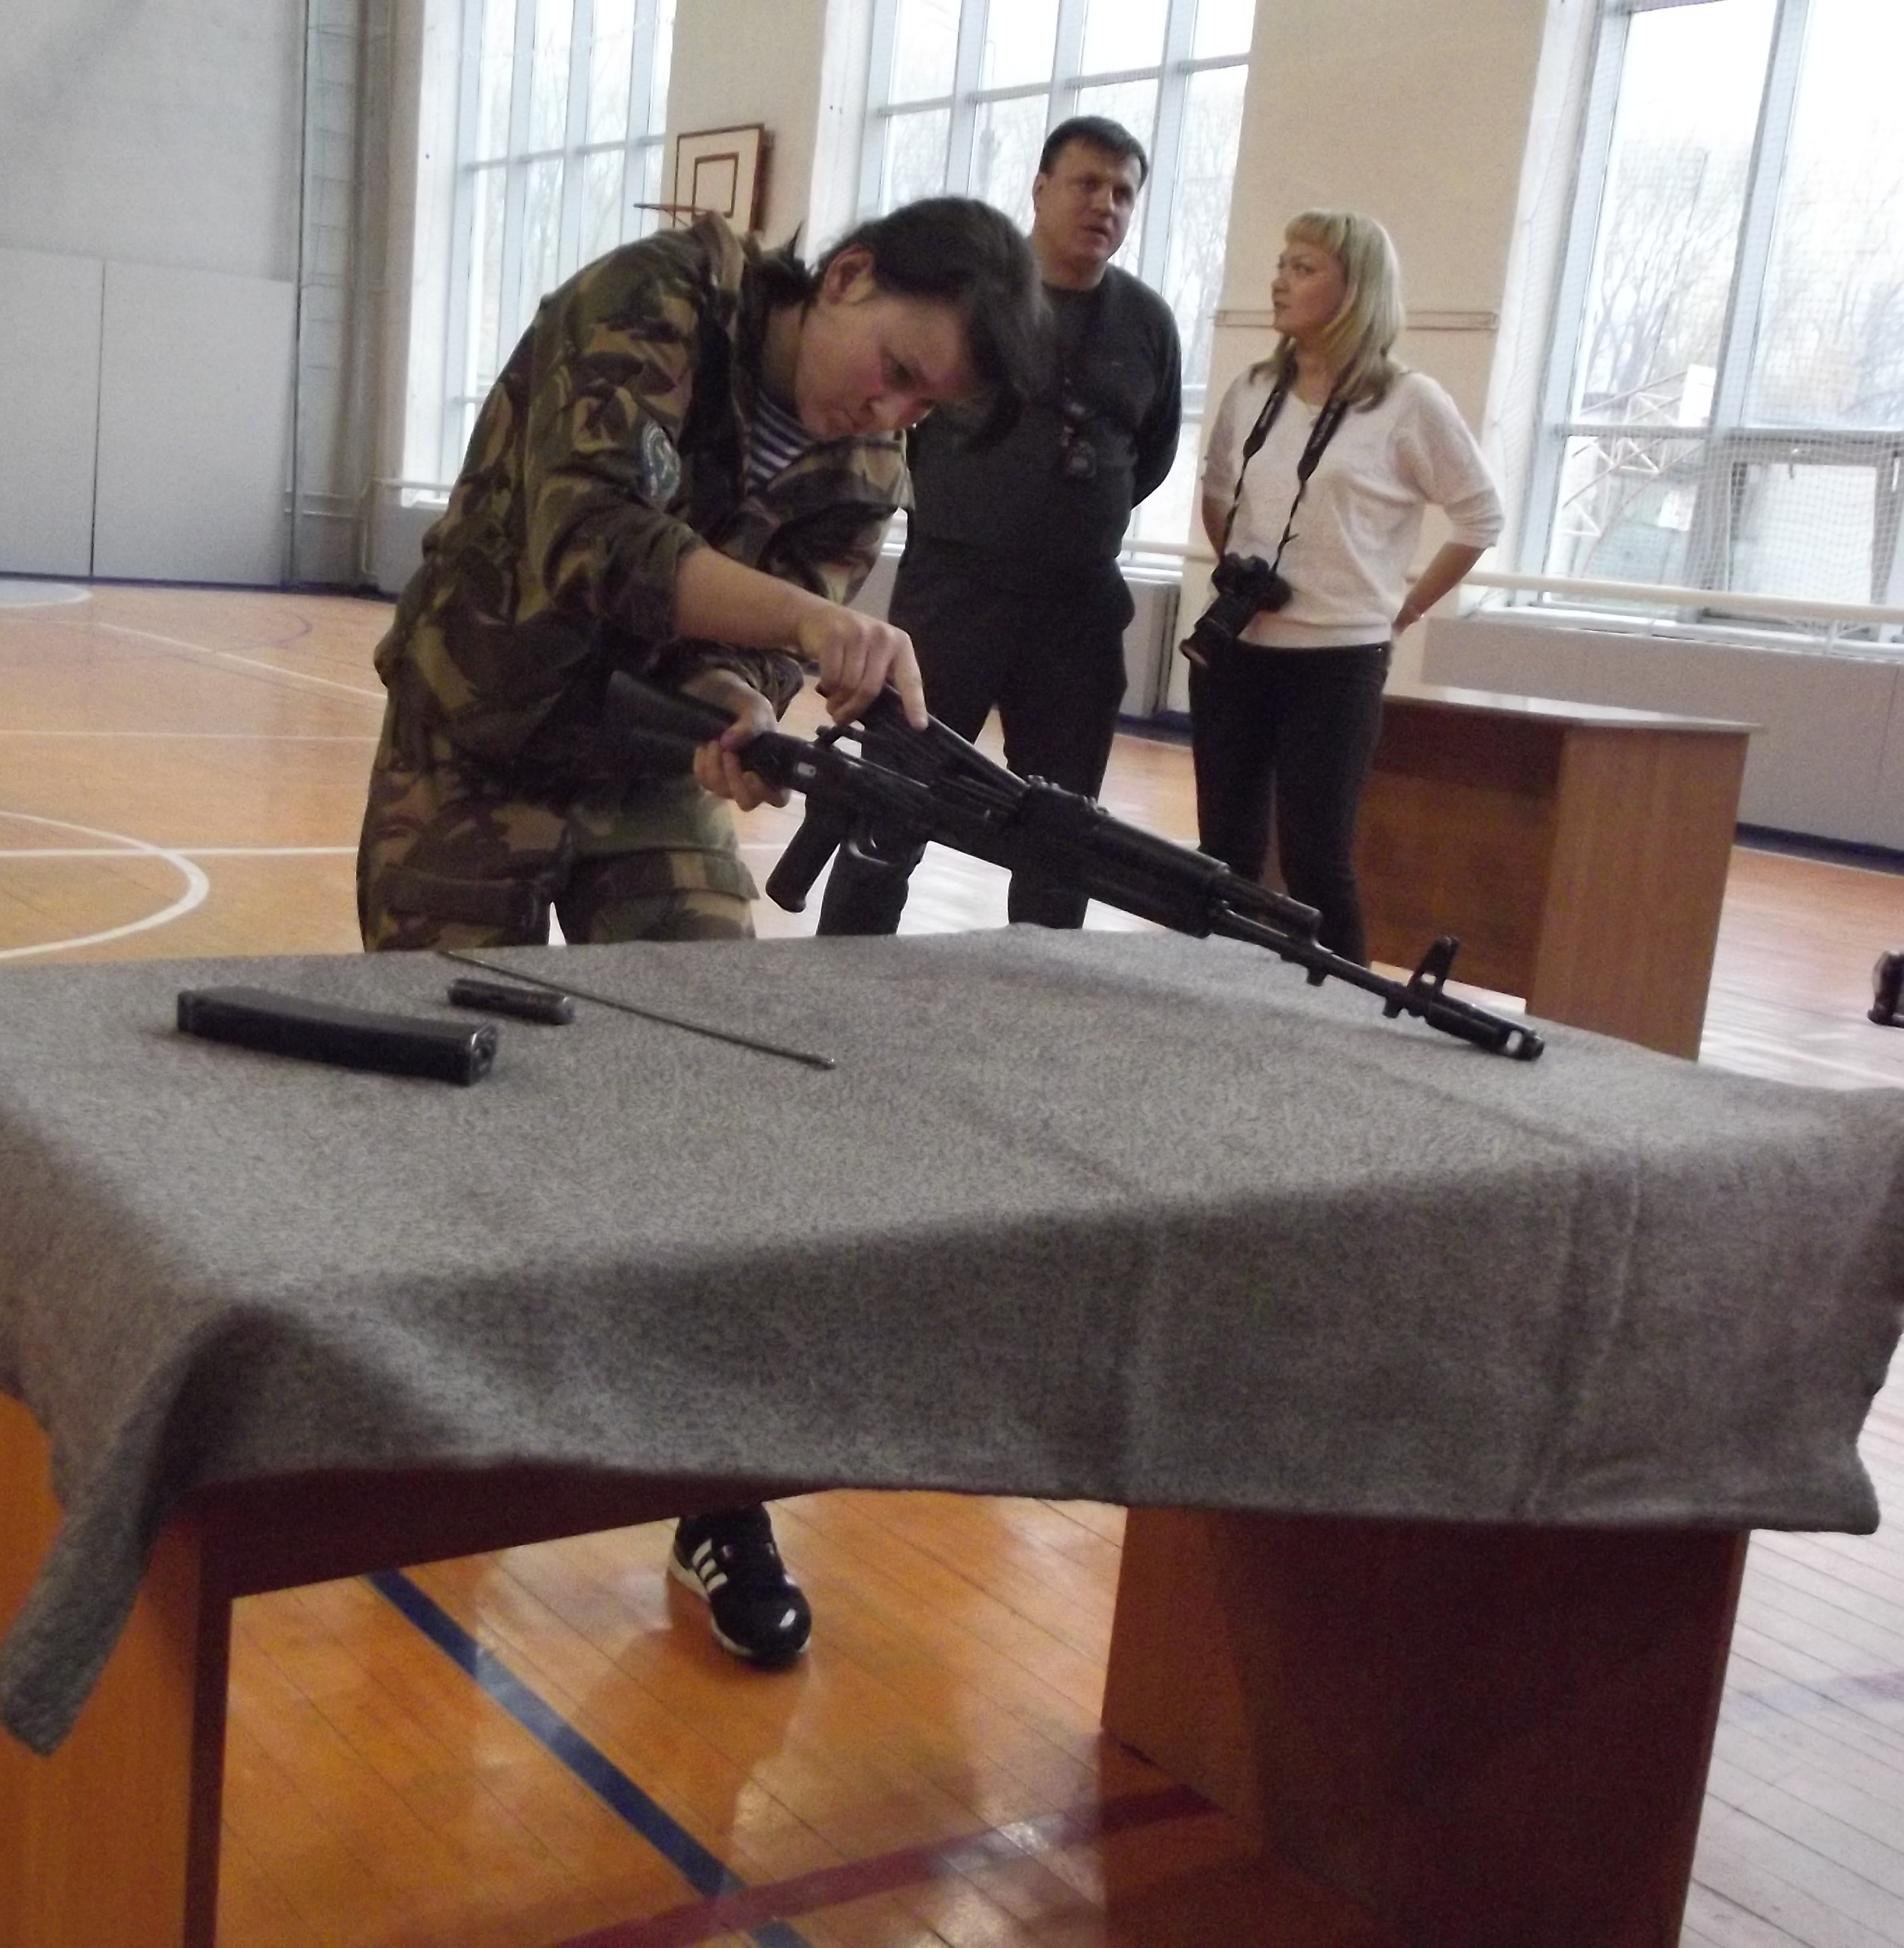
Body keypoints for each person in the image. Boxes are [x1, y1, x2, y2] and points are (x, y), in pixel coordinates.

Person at [358, 198, 1041, 1667]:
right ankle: (425, 1447)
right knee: (434, 1103)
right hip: (473, 737)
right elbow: (593, 539)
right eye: (895, 368)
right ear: (845, 274)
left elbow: (747, 658)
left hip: (640, 770)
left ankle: (720, 1496)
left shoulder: (865, 473)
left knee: (719, 1105)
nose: (891, 412)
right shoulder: (654, 300)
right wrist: (798, 628)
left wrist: (740, 711)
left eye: (923, 404)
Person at [817, 116, 1181, 936]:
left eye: (1124, 193)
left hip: (1077, 608)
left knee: (1062, 830)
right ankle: (843, 966)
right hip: (955, 593)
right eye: (1087, 184)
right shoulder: (973, 304)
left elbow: (1150, 455)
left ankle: (1035, 988)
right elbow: (897, 423)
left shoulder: (1147, 323)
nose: (1106, 205)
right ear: (1041, 188)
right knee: (894, 802)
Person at [1183, 211, 1501, 963]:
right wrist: (1246, 576)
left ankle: (1342, 1012)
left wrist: (1405, 609)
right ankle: (1216, 993)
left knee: (1315, 859)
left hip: (1336, 663)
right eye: (1281, 263)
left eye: (1303, 268)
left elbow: (1479, 517)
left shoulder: (1408, 403)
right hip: (1235, 650)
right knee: (1222, 852)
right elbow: (1218, 492)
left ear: (1355, 289)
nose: (1279, 281)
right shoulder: (1254, 388)